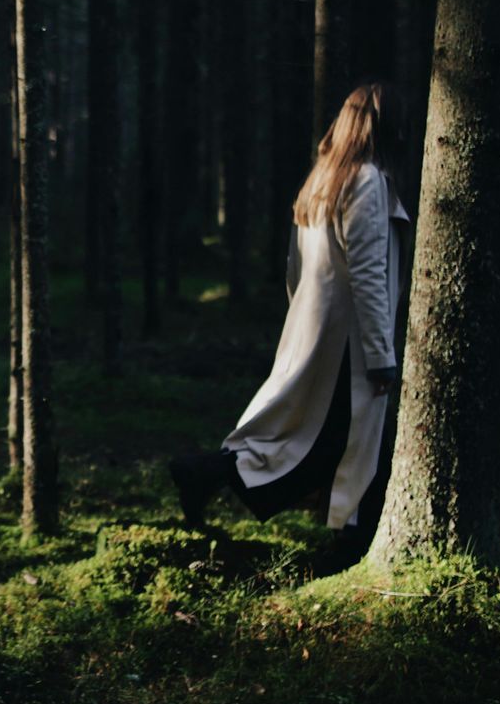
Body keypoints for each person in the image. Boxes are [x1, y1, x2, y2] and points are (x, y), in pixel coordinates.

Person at [169, 81, 413, 564]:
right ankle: (347, 540)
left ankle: (211, 475)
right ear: (385, 128)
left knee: (308, 435)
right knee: (332, 443)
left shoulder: (324, 179)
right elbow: (368, 273)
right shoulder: (365, 180)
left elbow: (294, 268)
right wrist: (381, 355)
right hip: (349, 341)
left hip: (318, 328)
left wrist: (301, 319)